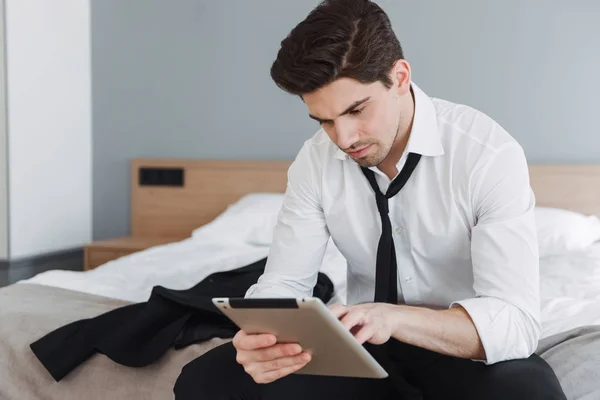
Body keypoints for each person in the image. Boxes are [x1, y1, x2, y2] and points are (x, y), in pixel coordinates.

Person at [174, 0, 567, 398]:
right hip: (360, 351)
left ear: (399, 77)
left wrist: (394, 318)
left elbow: (515, 322)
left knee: (530, 391)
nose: (343, 139)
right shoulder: (315, 161)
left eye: (356, 110)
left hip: (461, 351)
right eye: (325, 120)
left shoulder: (486, 154)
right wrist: (257, 337)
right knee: (206, 379)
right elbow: (285, 282)